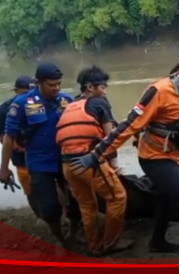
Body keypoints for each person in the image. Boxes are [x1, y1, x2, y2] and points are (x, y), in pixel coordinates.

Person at [68, 43, 179, 262]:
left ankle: (157, 242)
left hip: (176, 157)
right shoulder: (158, 91)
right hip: (154, 158)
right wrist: (96, 154)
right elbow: (128, 126)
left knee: (167, 199)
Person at [0, 62, 81, 247]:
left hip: (65, 160)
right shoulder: (21, 104)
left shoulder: (66, 100)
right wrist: (4, 169)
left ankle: (73, 234)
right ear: (38, 83)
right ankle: (60, 240)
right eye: (51, 85)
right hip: (38, 163)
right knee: (50, 209)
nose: (56, 88)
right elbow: (9, 138)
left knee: (75, 202)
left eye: (58, 83)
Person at [56, 65, 133, 256]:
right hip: (90, 162)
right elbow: (110, 138)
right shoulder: (99, 103)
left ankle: (94, 245)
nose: (105, 91)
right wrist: (114, 165)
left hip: (68, 165)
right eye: (103, 87)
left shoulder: (71, 105)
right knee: (117, 198)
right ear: (90, 87)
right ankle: (110, 243)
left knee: (87, 205)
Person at [0, 75, 40, 215]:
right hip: (20, 157)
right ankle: (39, 215)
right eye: (24, 93)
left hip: (41, 154)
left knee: (53, 186)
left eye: (31, 92)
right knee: (30, 190)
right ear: (16, 91)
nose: (27, 97)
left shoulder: (38, 104)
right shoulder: (4, 110)